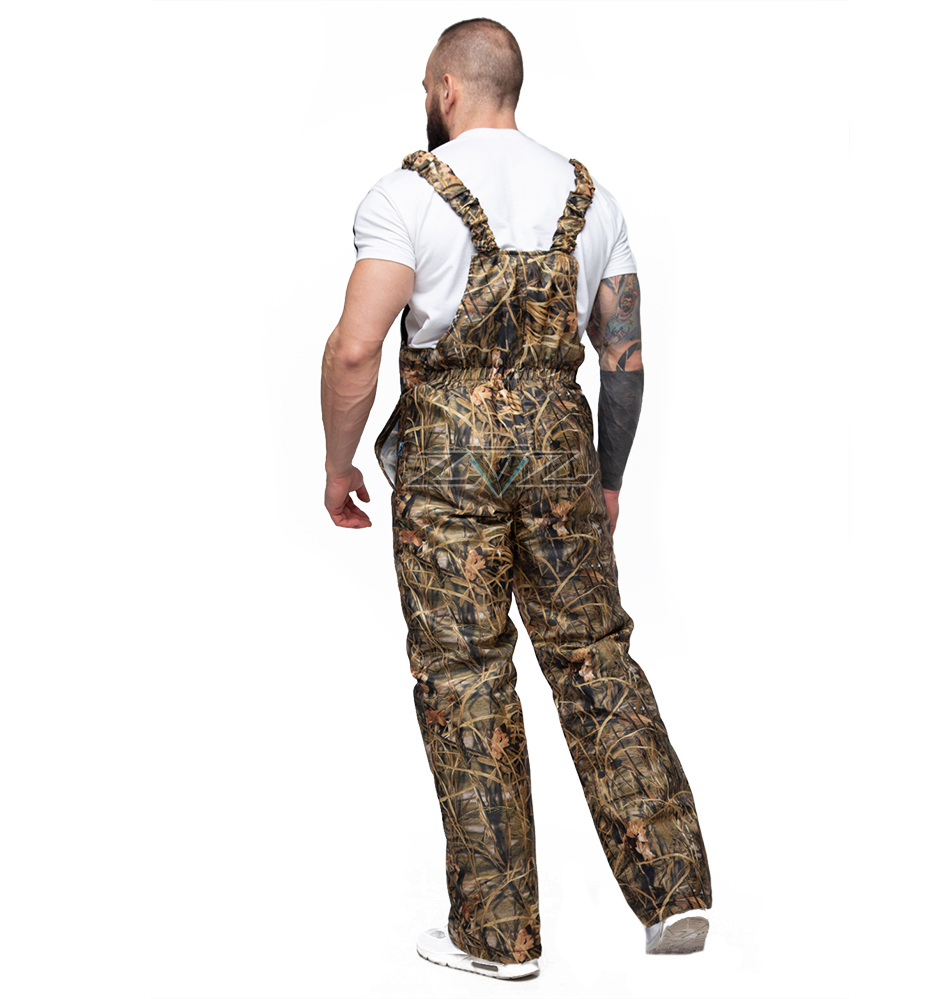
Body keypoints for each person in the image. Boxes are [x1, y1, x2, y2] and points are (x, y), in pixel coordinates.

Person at [320, 17, 712, 981]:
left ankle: (498, 938)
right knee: (593, 655)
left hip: (449, 460)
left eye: (428, 86)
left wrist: (338, 463)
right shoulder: (592, 198)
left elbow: (356, 349)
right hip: (560, 452)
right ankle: (675, 892)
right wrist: (606, 476)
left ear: (447, 89)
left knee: (466, 677)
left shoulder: (406, 196)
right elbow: (623, 360)